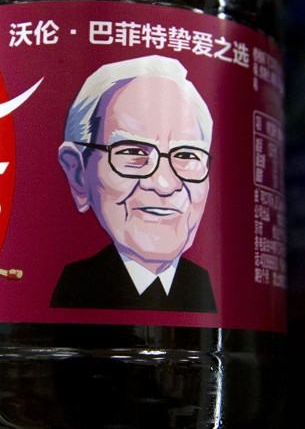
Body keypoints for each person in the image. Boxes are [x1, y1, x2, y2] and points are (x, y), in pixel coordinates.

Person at [52, 55, 216, 312]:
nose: (163, 184)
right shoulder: (70, 289)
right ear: (79, 173)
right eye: (132, 153)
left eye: (186, 156)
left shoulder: (212, 289)